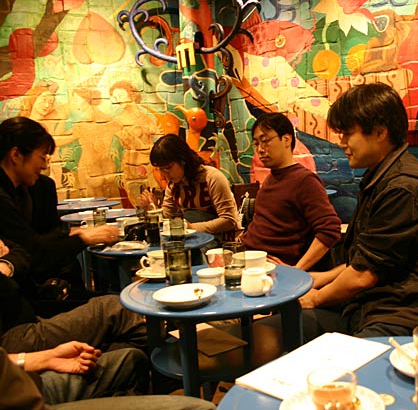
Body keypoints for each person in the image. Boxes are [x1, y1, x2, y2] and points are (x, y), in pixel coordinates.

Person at [297, 83, 418, 338]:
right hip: (370, 306)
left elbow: (363, 276)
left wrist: (315, 298)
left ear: (380, 132)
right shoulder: (381, 178)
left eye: (347, 133)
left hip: (408, 316)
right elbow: (369, 261)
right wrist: (322, 278)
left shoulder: (404, 188)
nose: (341, 142)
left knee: (312, 342)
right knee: (282, 327)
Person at [0, 238, 151, 404]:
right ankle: (171, 366)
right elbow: (37, 251)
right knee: (115, 308)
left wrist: (7, 264)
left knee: (131, 356)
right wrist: (45, 358)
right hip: (15, 341)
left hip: (28, 313)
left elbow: (20, 251)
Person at [0, 117, 119, 286]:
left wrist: (71, 234)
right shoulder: (3, 198)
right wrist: (84, 239)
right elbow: (33, 253)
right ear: (16, 155)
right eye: (42, 156)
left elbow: (41, 237)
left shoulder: (30, 188)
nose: (44, 166)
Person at [240, 112, 341, 270]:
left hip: (269, 268)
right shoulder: (272, 178)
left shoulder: (304, 180)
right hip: (248, 258)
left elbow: (330, 230)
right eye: (256, 143)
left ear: (286, 139)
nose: (260, 149)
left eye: (265, 141)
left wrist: (297, 271)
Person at [0, 346, 217, 410]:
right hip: (30, 404)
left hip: (28, 380)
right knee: (198, 408)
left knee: (131, 360)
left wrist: (44, 358)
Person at [141, 134, 239, 237]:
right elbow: (167, 217)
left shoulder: (212, 177)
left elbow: (229, 220)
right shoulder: (174, 184)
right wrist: (153, 207)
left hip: (221, 238)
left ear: (183, 160)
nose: (164, 175)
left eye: (168, 168)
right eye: (160, 169)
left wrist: (190, 227)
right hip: (192, 236)